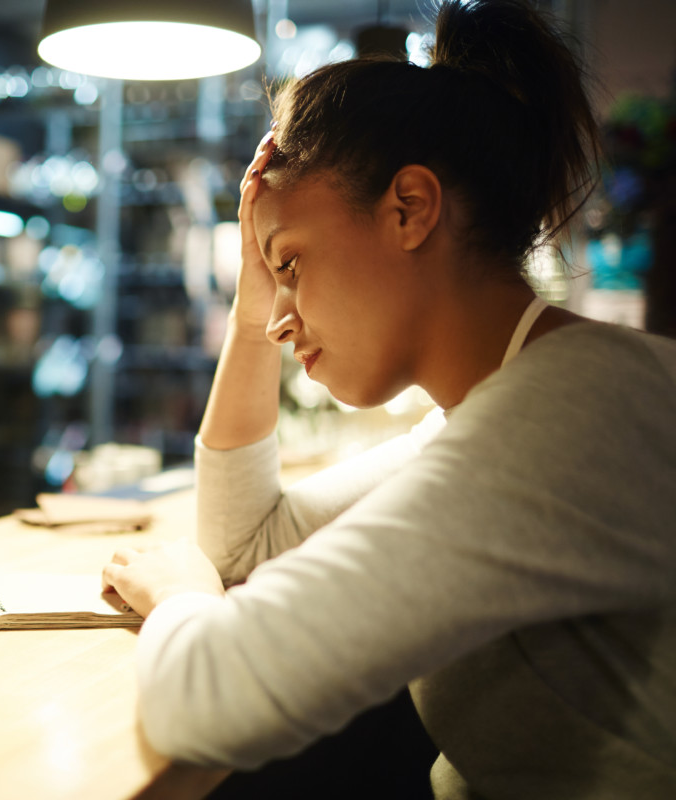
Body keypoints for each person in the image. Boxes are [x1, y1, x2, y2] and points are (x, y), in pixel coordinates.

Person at [100, 1, 676, 797]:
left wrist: (179, 598)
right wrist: (252, 289)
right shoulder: (497, 408)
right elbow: (249, 544)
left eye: (293, 265)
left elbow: (208, 700)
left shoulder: (573, 413)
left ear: (410, 208)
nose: (277, 318)